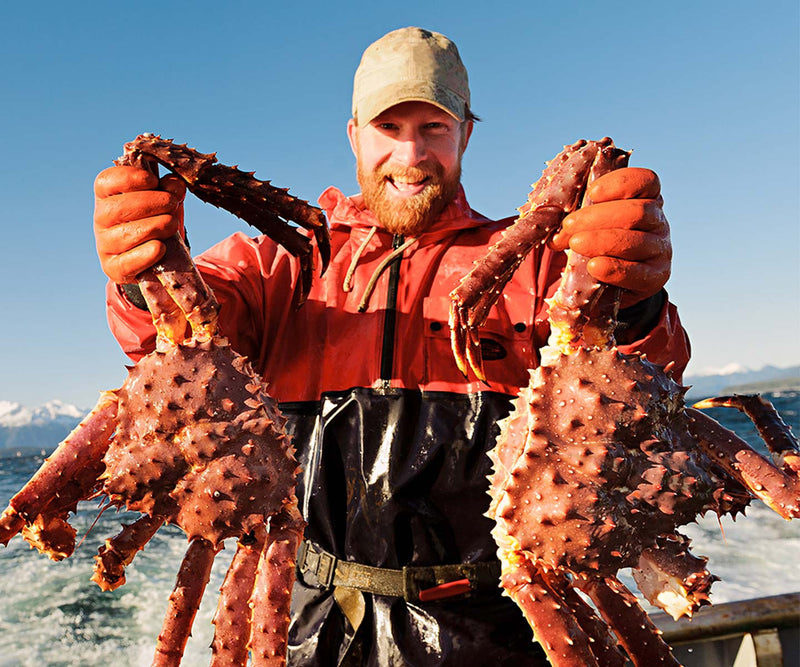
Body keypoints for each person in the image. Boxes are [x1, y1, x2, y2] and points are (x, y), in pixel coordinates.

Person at [93, 27, 689, 666]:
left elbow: (639, 390)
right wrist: (141, 276)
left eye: (433, 128)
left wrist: (633, 301)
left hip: (506, 622)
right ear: (354, 134)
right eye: (389, 128)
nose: (411, 154)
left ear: (465, 133)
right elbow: (177, 341)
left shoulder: (538, 265)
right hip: (313, 622)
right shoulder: (277, 265)